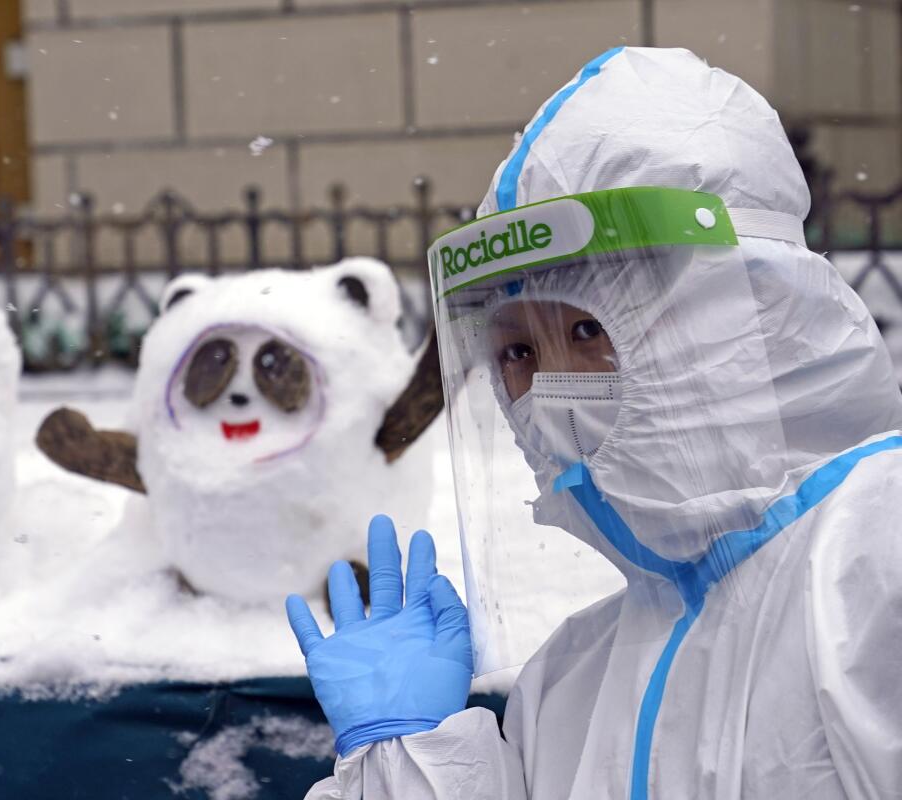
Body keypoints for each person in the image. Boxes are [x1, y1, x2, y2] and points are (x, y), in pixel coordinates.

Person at [285, 47, 902, 799]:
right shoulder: (568, 681)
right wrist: (406, 764)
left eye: (587, 333)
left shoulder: (872, 557)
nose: (549, 393)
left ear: (725, 324)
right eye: (517, 349)